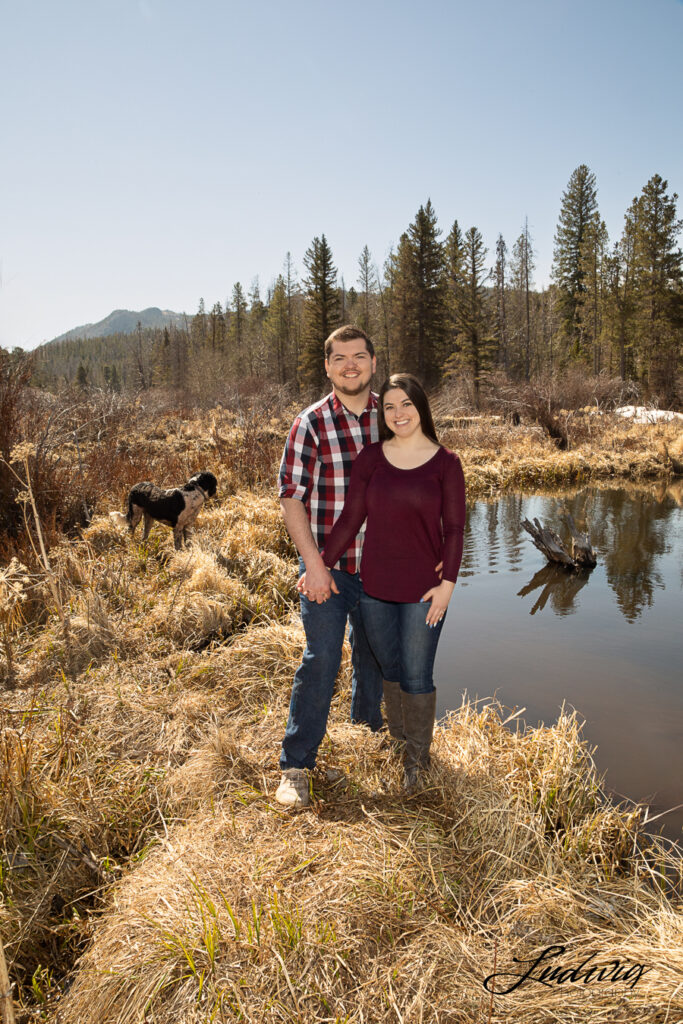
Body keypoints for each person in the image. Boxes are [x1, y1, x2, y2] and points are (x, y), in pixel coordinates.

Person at [319, 372, 466, 790]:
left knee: (418, 674)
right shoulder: (371, 458)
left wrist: (447, 587)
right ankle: (401, 745)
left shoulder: (446, 463)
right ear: (382, 414)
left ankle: (417, 766)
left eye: (406, 404)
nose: (399, 413)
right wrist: (322, 564)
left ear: (421, 407)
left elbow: (454, 530)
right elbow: (351, 518)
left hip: (424, 591)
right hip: (375, 589)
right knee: (391, 667)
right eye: (390, 406)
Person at [275, 325, 384, 809]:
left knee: (376, 657)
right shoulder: (311, 423)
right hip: (330, 568)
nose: (350, 365)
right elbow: (291, 499)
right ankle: (296, 766)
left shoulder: (395, 415)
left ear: (373, 362)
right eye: (340, 358)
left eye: (359, 356)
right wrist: (314, 566)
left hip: (386, 567)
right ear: (327, 366)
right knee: (321, 660)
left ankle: (369, 739)